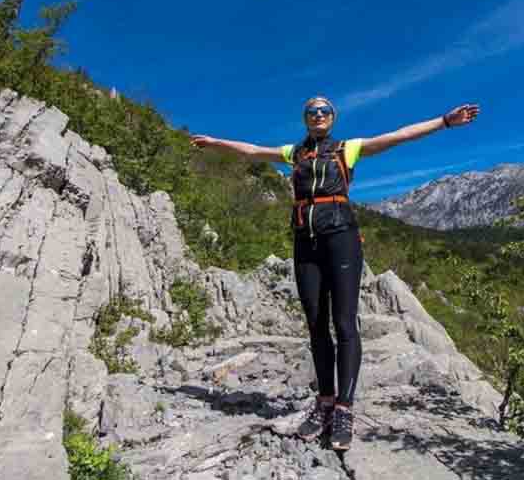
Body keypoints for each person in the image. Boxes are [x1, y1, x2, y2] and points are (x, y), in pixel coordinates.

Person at [189, 96, 480, 450]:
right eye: (312, 112)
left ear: (333, 117)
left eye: (324, 111)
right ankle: (324, 402)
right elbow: (251, 151)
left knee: (344, 323)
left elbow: (399, 135)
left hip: (341, 239)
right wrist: (216, 143)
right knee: (315, 325)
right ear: (305, 119)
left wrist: (444, 121)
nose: (318, 115)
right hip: (304, 244)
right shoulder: (293, 153)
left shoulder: (348, 149)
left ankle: (344, 407)